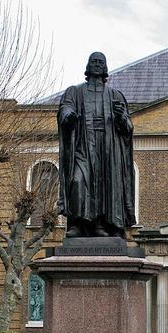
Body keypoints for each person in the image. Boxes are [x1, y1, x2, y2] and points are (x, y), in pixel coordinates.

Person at [57, 52, 136, 238]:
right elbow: (65, 109)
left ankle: (100, 225)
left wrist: (122, 117)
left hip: (108, 147)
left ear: (106, 67)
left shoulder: (115, 95)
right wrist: (68, 115)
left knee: (106, 185)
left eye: (101, 62)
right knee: (78, 181)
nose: (97, 64)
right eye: (94, 61)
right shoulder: (74, 92)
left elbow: (128, 128)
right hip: (84, 145)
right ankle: (78, 223)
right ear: (88, 66)